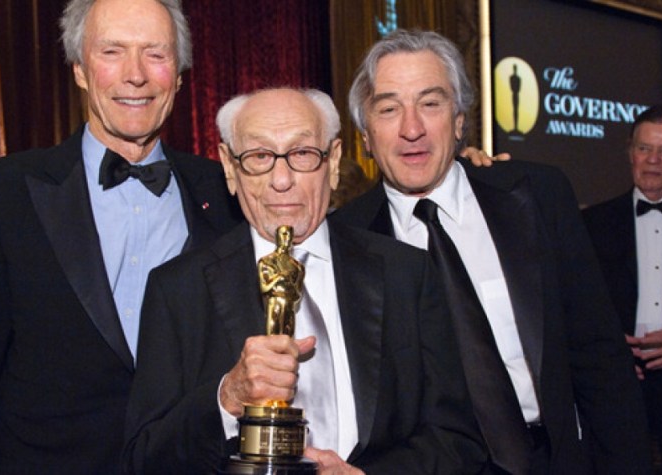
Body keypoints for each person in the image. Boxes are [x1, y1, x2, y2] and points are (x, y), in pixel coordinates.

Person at [0, 0, 242, 472]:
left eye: (155, 54)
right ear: (79, 69)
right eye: (112, 51)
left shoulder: (226, 193)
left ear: (179, 76)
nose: (135, 75)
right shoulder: (3, 193)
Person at [333, 29, 651, 474]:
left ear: (459, 120)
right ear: (365, 134)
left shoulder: (537, 195)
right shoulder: (345, 243)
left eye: (430, 103)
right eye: (388, 109)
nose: (411, 128)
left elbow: (598, 356)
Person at [122, 87, 487, 474]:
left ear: (333, 161)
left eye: (302, 154)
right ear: (229, 168)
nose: (282, 180)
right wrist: (226, 398)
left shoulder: (406, 274)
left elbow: (458, 441)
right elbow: (145, 460)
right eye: (259, 156)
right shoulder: (179, 290)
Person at [583, 105, 662, 473]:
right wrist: (610, 352)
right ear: (630, 152)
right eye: (644, 148)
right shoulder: (592, 223)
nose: (652, 160)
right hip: (618, 382)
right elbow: (576, 306)